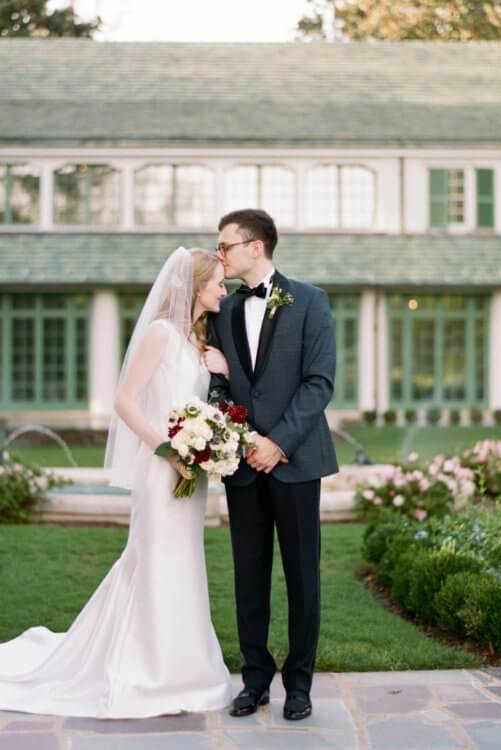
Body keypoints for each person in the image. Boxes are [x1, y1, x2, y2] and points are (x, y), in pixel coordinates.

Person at [0, 247, 233, 719]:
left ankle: (184, 668)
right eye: (218, 282)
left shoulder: (197, 341)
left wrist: (220, 380)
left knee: (185, 564)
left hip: (190, 476)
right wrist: (168, 450)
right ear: (196, 286)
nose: (223, 289)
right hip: (163, 471)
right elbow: (125, 401)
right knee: (156, 563)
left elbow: (201, 403)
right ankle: (146, 672)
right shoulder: (158, 334)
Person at [203, 208, 338, 721]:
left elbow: (319, 382)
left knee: (304, 578)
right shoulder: (223, 310)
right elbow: (224, 388)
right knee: (249, 575)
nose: (221, 255)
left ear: (255, 246)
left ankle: (299, 686)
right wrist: (239, 432)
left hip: (297, 462)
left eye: (226, 246)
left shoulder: (310, 301)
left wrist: (277, 443)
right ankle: (254, 680)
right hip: (241, 464)